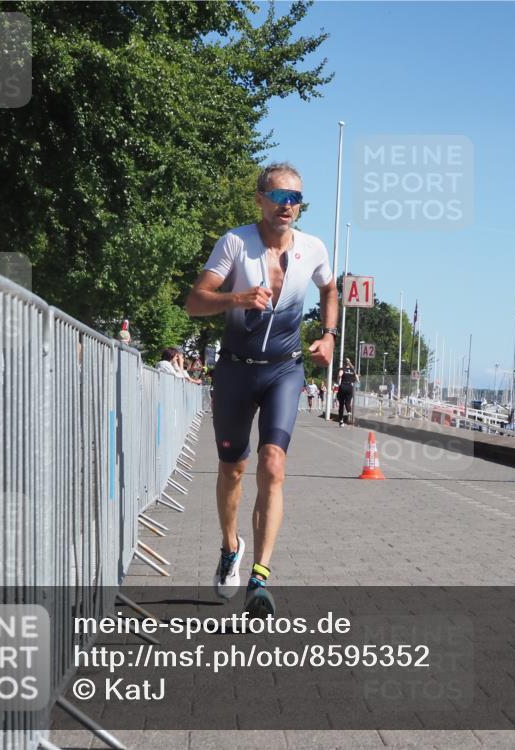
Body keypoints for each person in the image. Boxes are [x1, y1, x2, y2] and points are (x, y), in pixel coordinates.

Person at [185, 162, 337, 617]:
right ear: (260, 199)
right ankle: (231, 545)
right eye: (279, 196)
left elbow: (331, 289)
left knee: (273, 464)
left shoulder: (313, 248)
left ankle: (260, 578)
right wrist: (236, 297)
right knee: (232, 469)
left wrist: (328, 335)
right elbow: (194, 303)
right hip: (234, 370)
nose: (288, 206)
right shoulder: (236, 244)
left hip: (284, 371)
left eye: (296, 199)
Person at [336, 357, 358, 427]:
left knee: (341, 404)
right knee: (348, 402)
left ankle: (341, 421)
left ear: (344, 364)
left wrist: (338, 377)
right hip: (349, 387)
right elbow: (357, 379)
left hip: (343, 386)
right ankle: (349, 411)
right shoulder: (352, 370)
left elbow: (340, 375)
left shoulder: (342, 369)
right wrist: (355, 379)